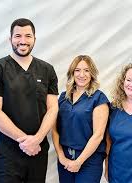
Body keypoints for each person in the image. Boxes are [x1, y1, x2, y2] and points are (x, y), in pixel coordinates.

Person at [0, 18, 59, 183]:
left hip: (38, 151)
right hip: (8, 154)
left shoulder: (47, 70)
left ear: (34, 39)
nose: (22, 41)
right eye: (18, 36)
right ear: (10, 39)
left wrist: (37, 139)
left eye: (28, 36)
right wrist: (25, 141)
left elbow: (53, 109)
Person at [52, 55, 109, 183]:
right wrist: (61, 156)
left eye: (86, 70)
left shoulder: (99, 99)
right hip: (65, 158)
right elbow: (54, 129)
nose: (81, 74)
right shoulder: (63, 98)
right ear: (72, 73)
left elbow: (98, 135)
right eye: (77, 70)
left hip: (89, 160)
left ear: (92, 73)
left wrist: (79, 161)